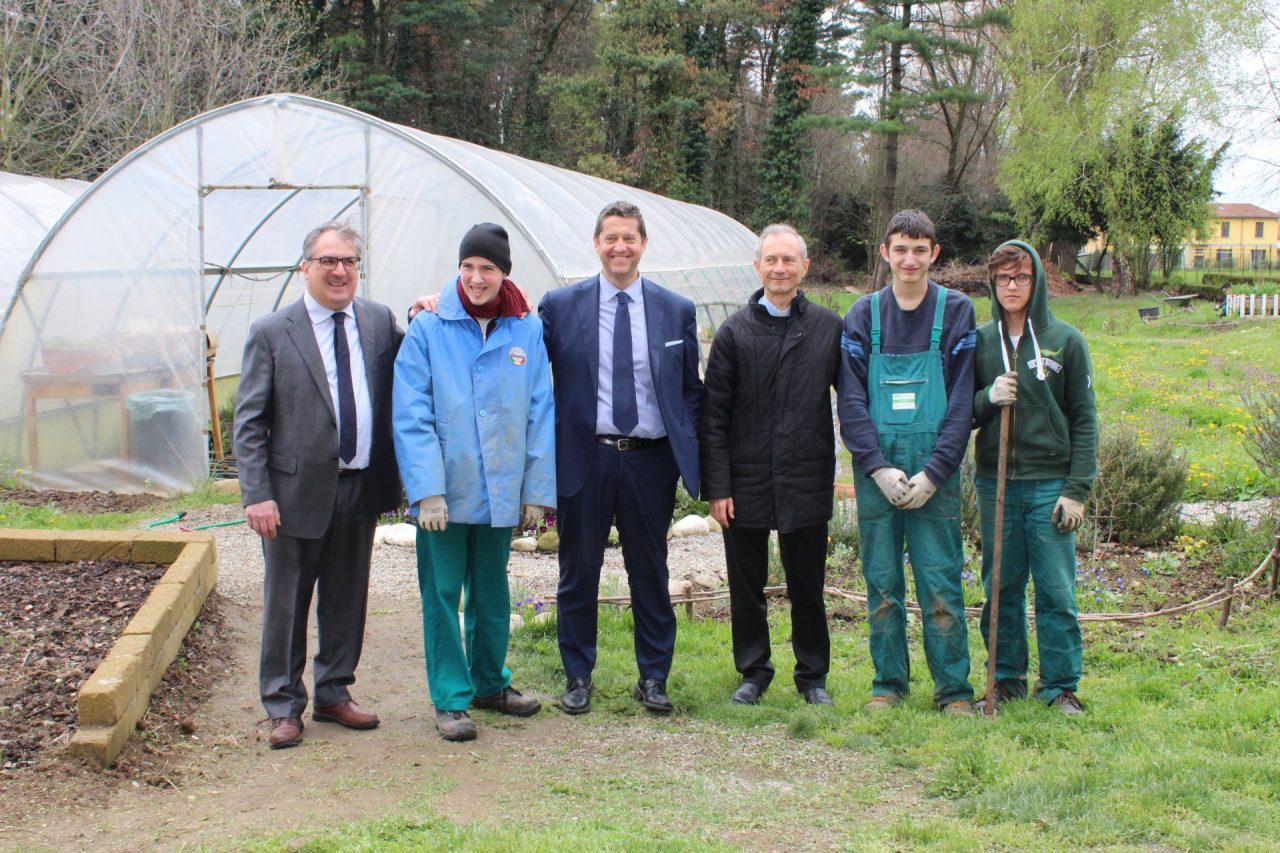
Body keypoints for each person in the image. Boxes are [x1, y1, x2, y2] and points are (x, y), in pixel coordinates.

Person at [235, 221, 403, 750]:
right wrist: (257, 494)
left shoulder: (378, 321)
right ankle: (283, 706)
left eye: (349, 261)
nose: (339, 271)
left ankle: (334, 692)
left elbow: (415, 363)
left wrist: (426, 309)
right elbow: (249, 422)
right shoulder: (272, 332)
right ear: (304, 267)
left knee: (347, 598)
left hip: (359, 486)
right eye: (328, 261)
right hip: (291, 496)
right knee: (286, 603)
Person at [539, 200, 705, 715]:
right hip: (584, 458)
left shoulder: (675, 309)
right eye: (610, 237)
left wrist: (688, 453)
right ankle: (578, 676)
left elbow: (690, 390)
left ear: (643, 243)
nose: (620, 247)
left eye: (629, 237)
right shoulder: (560, 306)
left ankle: (653, 677)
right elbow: (517, 351)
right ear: (596, 243)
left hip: (650, 462)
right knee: (578, 572)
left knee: (649, 571)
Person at [393, 223, 556, 742]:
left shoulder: (525, 330)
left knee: (491, 588)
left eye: (487, 268)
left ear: (504, 273)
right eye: (468, 267)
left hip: (501, 487)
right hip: (446, 489)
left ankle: (490, 682)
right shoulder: (429, 327)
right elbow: (411, 411)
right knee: (442, 592)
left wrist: (536, 490)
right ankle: (450, 697)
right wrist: (426, 489)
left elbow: (540, 410)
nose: (476, 278)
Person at [836, 209, 977, 716]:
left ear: (934, 253)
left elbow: (961, 402)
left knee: (940, 584)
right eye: (900, 249)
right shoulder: (863, 315)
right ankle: (888, 684)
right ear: (885, 253)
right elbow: (851, 402)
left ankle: (954, 690)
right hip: (880, 472)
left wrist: (935, 473)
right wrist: (876, 467)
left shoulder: (956, 311)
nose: (910, 259)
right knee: (882, 584)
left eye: (920, 250)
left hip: (933, 470)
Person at [700, 224, 842, 707]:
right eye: (771, 260)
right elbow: (714, 417)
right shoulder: (734, 332)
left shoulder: (828, 328)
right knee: (747, 585)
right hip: (746, 479)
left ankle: (812, 677)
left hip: (806, 475)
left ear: (805, 267)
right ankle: (754, 671)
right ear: (757, 267)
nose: (780, 269)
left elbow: (852, 399)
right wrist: (718, 487)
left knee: (808, 585)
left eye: (789, 260)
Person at [972, 240, 1097, 716]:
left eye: (1021, 277)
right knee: (1000, 587)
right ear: (992, 282)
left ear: (1036, 281)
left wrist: (1076, 489)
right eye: (1003, 277)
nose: (1012, 286)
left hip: (1049, 484)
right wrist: (988, 396)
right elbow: (961, 412)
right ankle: (1005, 680)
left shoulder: (1065, 340)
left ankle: (1060, 686)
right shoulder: (982, 341)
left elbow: (1084, 420)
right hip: (996, 482)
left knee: (1056, 590)